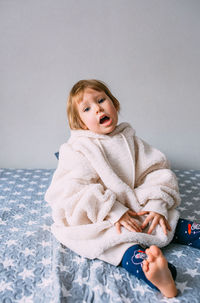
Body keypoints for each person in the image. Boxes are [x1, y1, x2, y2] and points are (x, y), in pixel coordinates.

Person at [45, 79, 200, 298]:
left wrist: (156, 204)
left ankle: (191, 232)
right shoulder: (76, 149)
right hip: (103, 217)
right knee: (120, 247)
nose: (98, 108)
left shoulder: (130, 139)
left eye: (101, 100)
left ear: (114, 104)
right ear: (80, 122)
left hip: (139, 207)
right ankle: (159, 275)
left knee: (168, 222)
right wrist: (113, 211)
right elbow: (73, 190)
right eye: (87, 108)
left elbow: (156, 172)